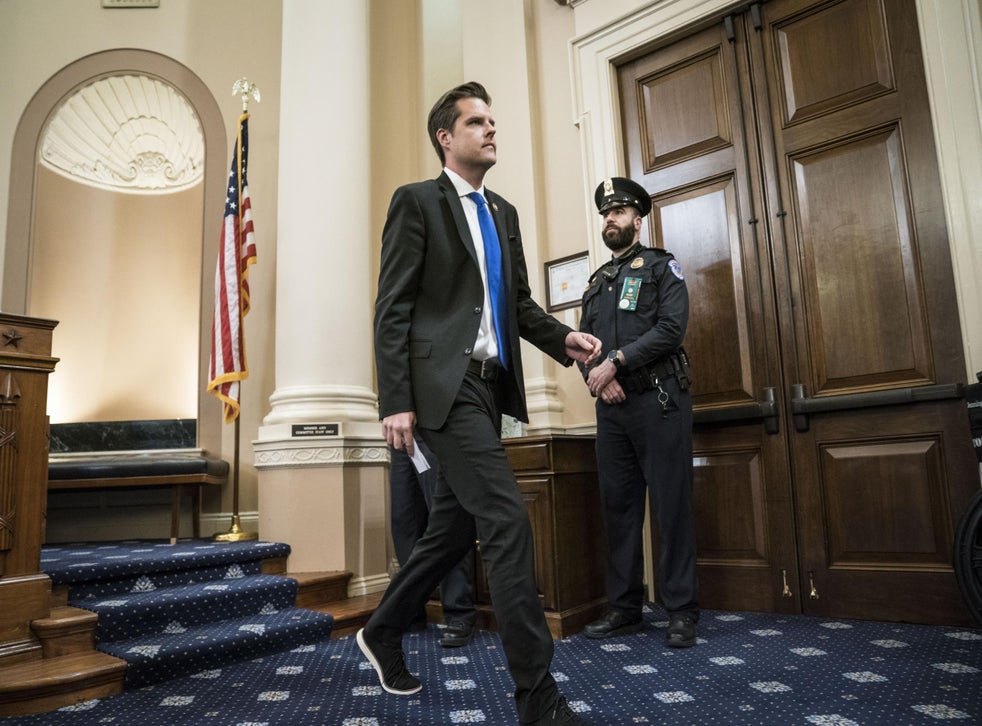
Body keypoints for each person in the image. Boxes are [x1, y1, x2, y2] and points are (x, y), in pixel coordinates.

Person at [359, 81, 602, 726]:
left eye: (493, 122)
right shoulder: (417, 203)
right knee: (505, 517)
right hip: (443, 387)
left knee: (454, 527)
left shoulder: (504, 214)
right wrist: (395, 400)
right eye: (477, 122)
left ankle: (383, 628)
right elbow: (393, 308)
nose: (491, 131)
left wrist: (565, 339)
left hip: (488, 389)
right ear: (446, 137)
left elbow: (516, 304)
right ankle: (536, 695)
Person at [578, 177, 699, 649]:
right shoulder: (596, 283)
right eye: (606, 213)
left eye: (620, 211)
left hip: (660, 400)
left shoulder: (660, 267)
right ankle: (625, 608)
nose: (611, 218)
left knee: (671, 507)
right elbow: (583, 347)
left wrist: (616, 363)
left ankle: (682, 611)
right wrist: (599, 377)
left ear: (637, 220)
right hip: (613, 410)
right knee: (619, 510)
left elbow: (671, 329)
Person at [388, 440, 476, 647]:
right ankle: (412, 611)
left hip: (433, 431)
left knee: (446, 523)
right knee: (405, 524)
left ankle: (459, 613)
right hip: (399, 437)